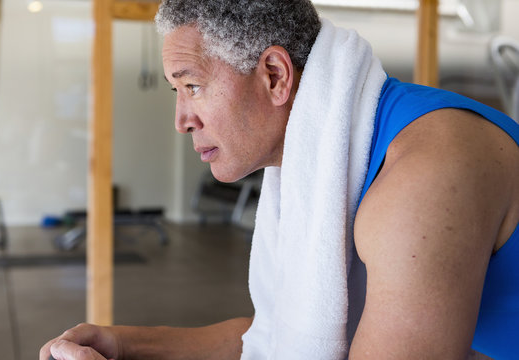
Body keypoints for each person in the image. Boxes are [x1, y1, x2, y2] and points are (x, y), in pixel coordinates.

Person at [40, 0, 519, 359]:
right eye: (176, 91)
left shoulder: (420, 180)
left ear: (274, 75)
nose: (182, 119)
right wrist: (119, 344)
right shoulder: (330, 152)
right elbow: (281, 332)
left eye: (193, 86)